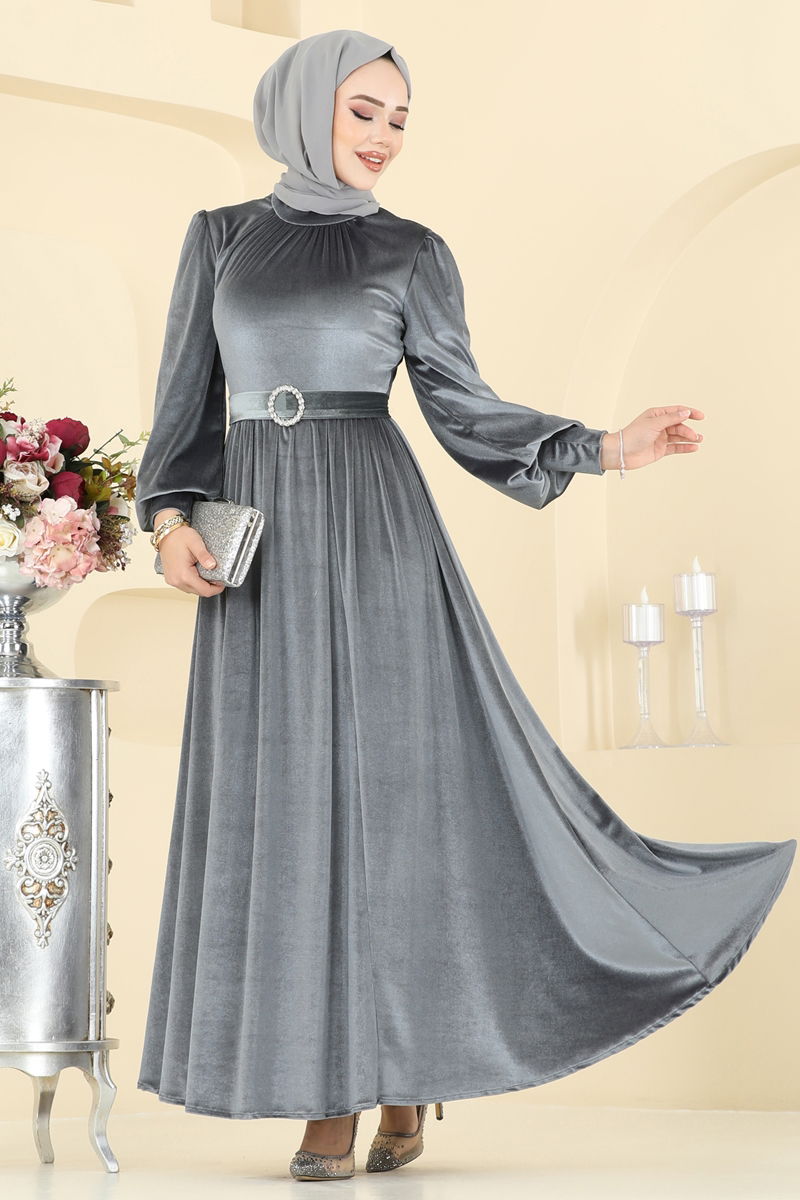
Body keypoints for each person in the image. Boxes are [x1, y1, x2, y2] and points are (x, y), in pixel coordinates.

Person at [134, 29, 796, 1182]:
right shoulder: (220, 237)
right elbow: (183, 405)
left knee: (397, 815)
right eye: (363, 111)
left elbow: (462, 407)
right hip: (260, 560)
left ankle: (387, 1081)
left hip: (376, 537)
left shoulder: (410, 251)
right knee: (286, 814)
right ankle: (331, 1078)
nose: (384, 136)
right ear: (300, 108)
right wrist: (166, 521)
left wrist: (603, 446)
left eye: (399, 118)